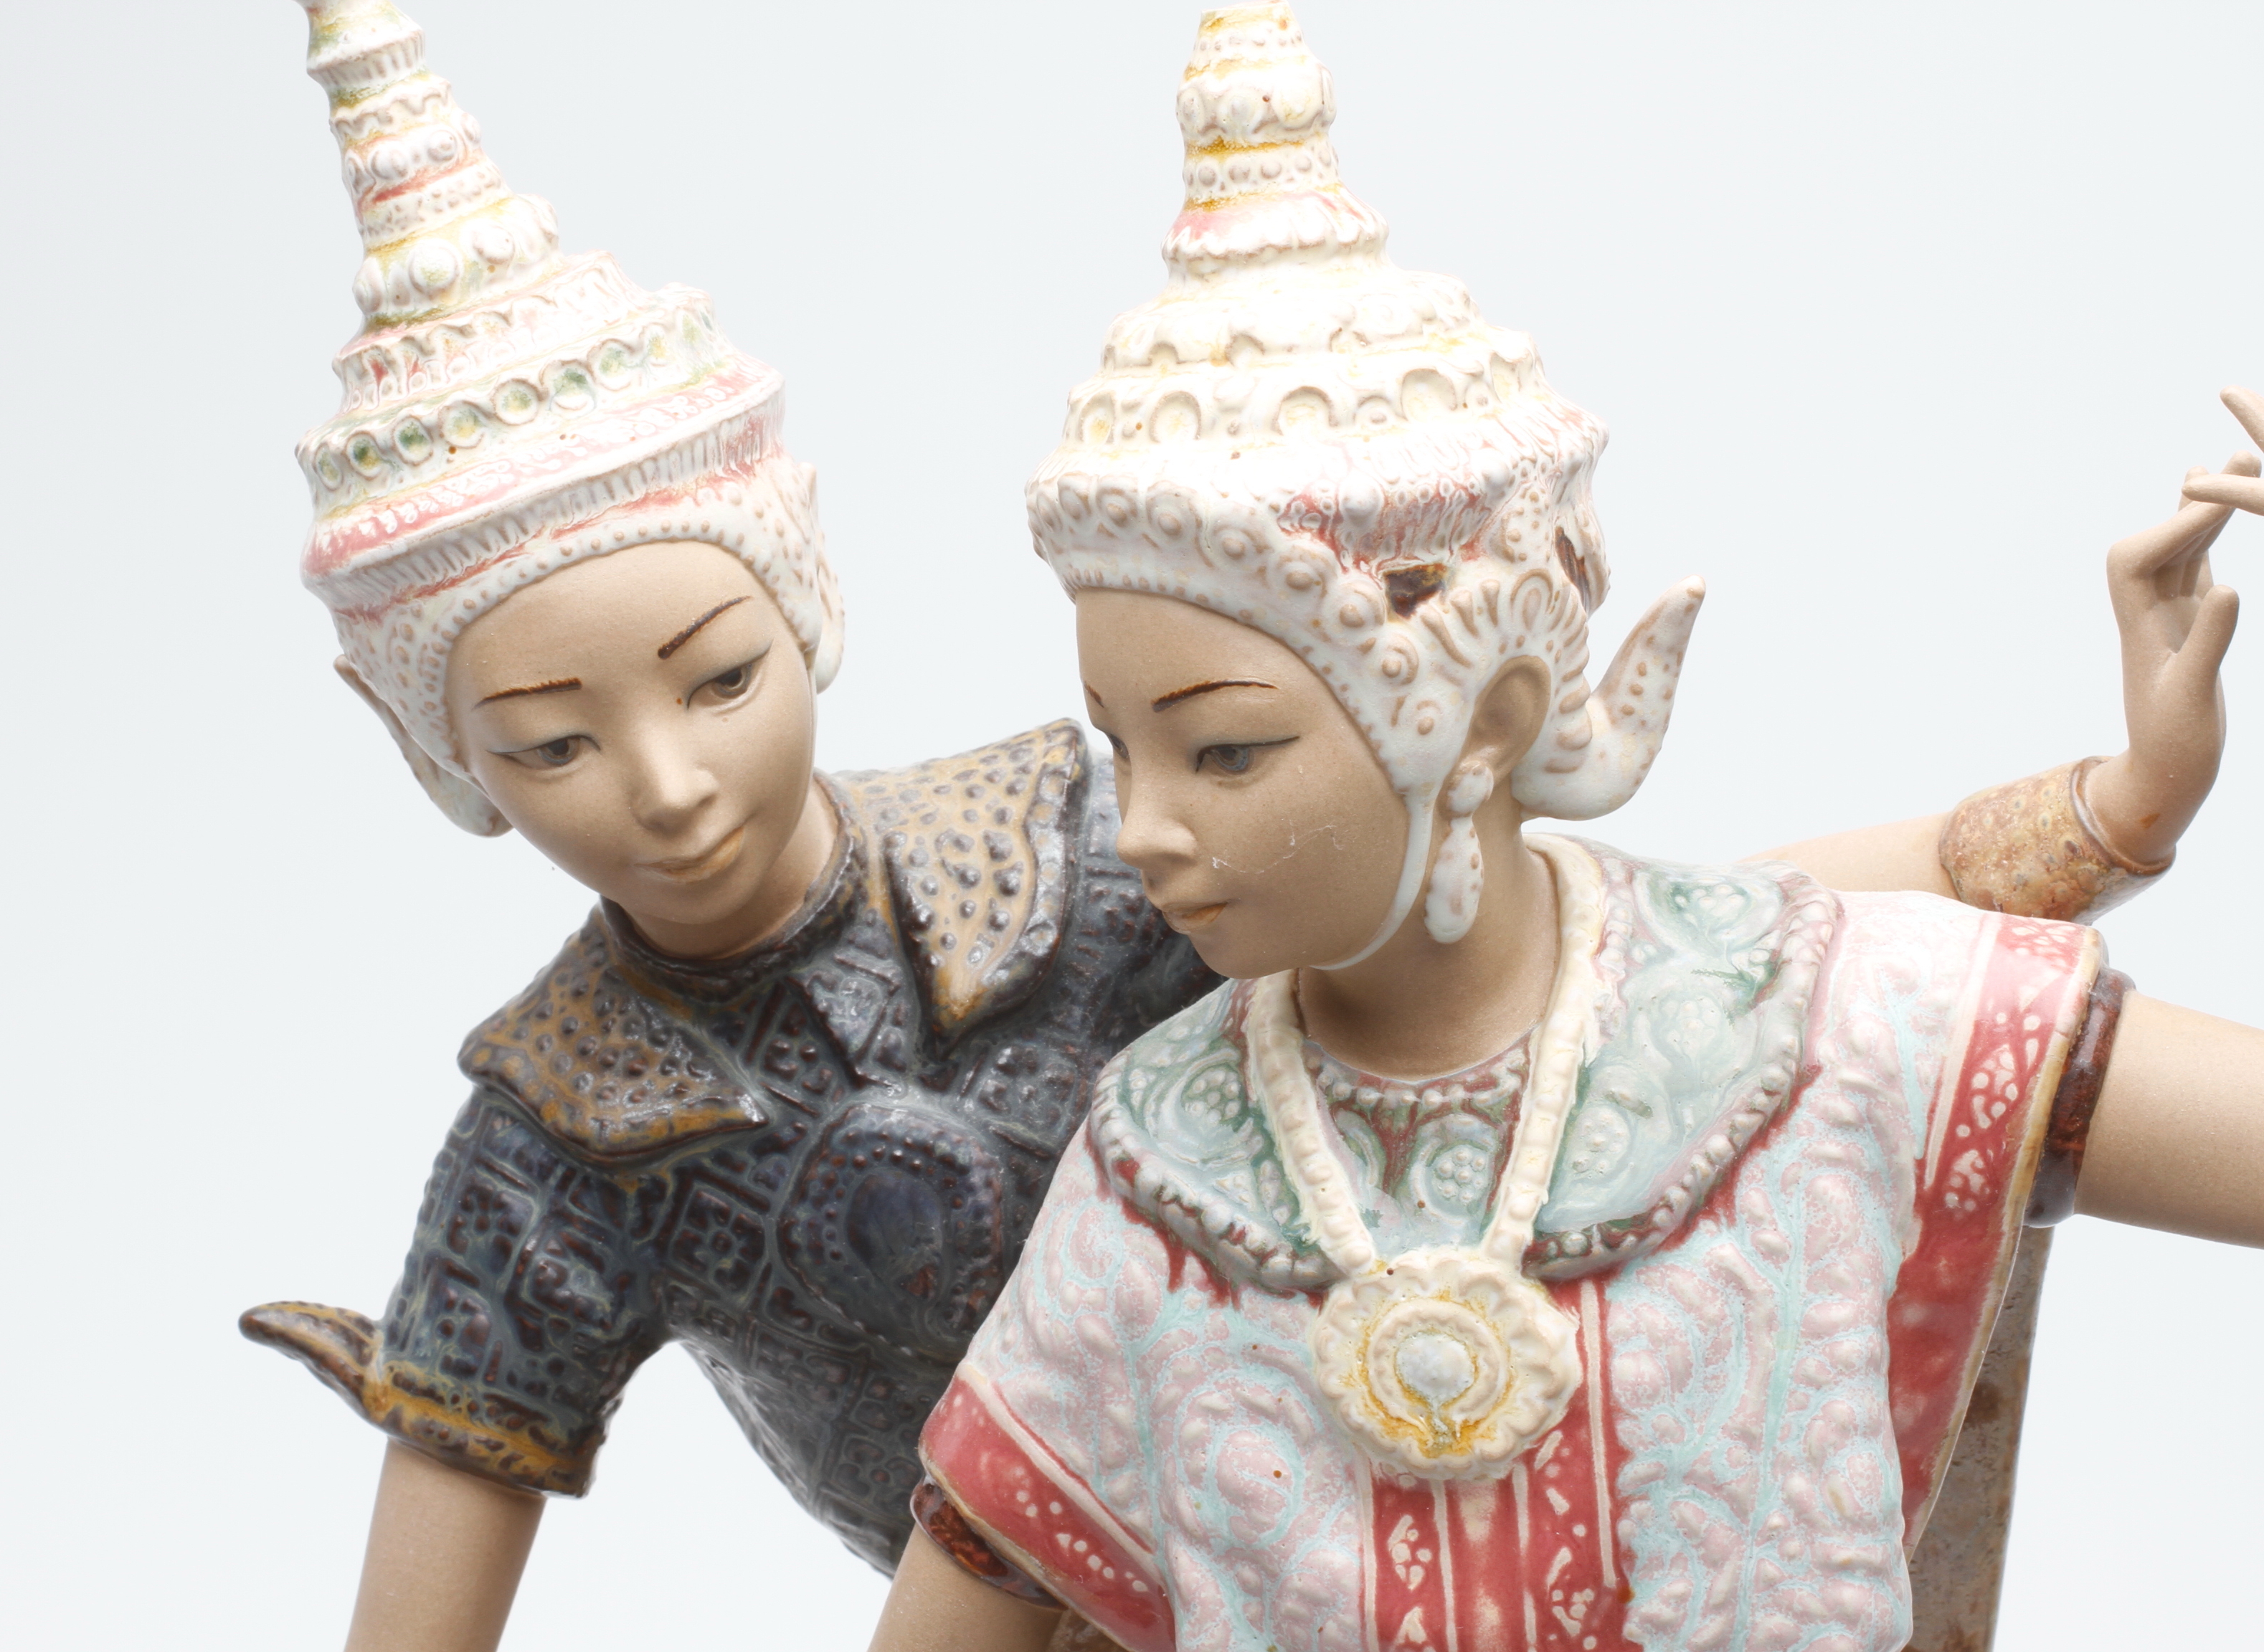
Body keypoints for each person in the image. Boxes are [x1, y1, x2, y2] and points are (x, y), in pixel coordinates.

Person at [245, 4, 2245, 1650]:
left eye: (712, 679)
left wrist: (2107, 810)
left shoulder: (1068, 871)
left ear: (807, 600)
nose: (670, 784)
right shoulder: (1102, 1164)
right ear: (431, 748)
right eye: (549, 742)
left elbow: (1697, 940)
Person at [881, 8, 2264, 1652]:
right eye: (1120, 748)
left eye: (1225, 751)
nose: (1147, 825)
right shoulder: (1158, 1166)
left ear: (1484, 718)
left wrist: (2129, 801)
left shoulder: (1819, 1028)